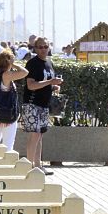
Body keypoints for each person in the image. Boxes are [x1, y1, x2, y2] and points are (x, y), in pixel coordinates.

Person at [21, 37, 63, 175]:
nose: (43, 49)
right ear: (35, 48)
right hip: (33, 103)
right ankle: (29, 166)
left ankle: (38, 166)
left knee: (40, 135)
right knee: (35, 135)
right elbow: (31, 85)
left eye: (45, 47)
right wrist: (50, 81)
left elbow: (45, 83)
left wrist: (53, 86)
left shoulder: (49, 63)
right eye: (40, 47)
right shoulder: (32, 63)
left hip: (44, 104)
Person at [0, 48, 28, 152]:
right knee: (8, 145)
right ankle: (6, 166)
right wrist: (14, 64)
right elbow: (25, 72)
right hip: (8, 114)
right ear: (7, 61)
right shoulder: (6, 75)